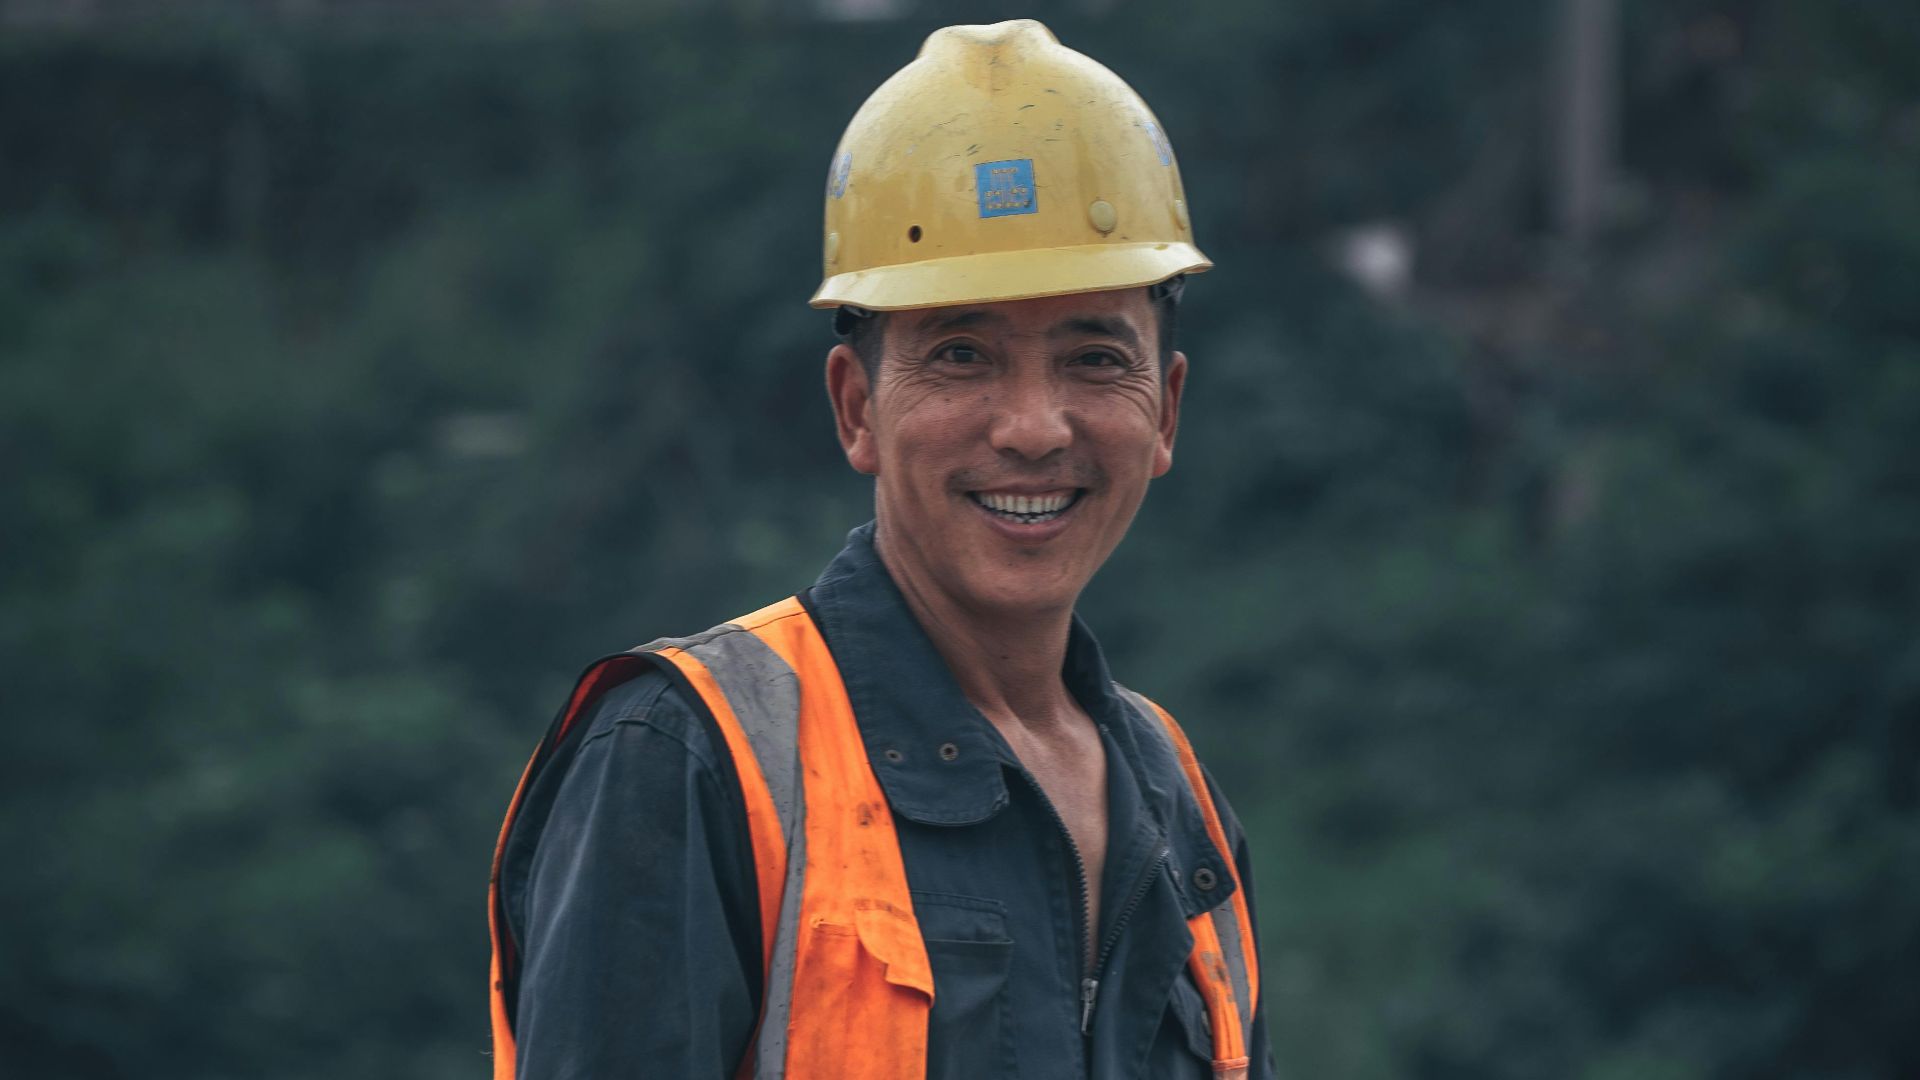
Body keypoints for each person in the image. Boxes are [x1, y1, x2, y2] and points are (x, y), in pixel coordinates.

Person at [487, 19, 1272, 1080]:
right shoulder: (692, 758)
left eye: (1095, 356)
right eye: (961, 354)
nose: (1035, 426)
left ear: (1166, 411)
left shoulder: (1180, 803)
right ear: (856, 407)